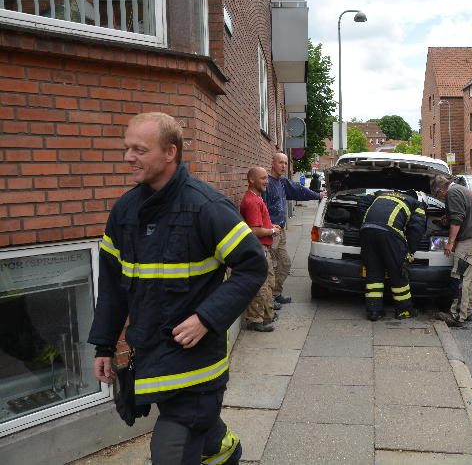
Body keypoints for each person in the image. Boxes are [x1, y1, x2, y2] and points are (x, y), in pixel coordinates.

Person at [88, 112, 267, 465]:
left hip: (196, 367)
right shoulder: (125, 211)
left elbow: (252, 265)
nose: (128, 157)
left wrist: (207, 317)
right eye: (127, 148)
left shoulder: (206, 206)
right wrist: (104, 345)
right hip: (153, 357)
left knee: (171, 451)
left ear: (170, 152)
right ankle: (225, 450)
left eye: (139, 149)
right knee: (203, 433)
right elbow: (112, 286)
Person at [262, 153, 325, 307]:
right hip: (270, 233)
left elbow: (298, 191)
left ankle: (276, 294)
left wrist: (318, 195)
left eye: (285, 163)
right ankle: (268, 300)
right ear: (273, 163)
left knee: (285, 264)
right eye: (280, 163)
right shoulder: (266, 184)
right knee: (271, 268)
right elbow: (261, 209)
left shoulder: (282, 182)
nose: (283, 166)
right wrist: (268, 229)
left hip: (280, 231)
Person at [359, 190, 426, 321]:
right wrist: (409, 252)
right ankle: (404, 310)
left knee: (373, 271)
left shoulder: (381, 193)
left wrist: (364, 222)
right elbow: (416, 231)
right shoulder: (417, 205)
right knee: (398, 272)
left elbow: (362, 202)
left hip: (366, 231)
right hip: (389, 233)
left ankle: (374, 311)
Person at [430, 176, 472, 327]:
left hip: (468, 241)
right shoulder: (462, 189)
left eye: (437, 195)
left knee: (460, 277)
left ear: (441, 189)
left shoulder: (452, 193)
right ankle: (467, 312)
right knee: (470, 277)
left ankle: (457, 316)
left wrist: (450, 242)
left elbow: (457, 219)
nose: (440, 198)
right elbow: (461, 214)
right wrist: (448, 217)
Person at [239, 167, 280, 332]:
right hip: (258, 248)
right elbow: (254, 230)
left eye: (266, 178)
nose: (266, 182)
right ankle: (255, 320)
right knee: (261, 284)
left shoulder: (257, 198)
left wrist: (271, 226)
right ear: (251, 180)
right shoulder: (252, 201)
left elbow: (260, 224)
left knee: (269, 282)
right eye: (262, 178)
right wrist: (272, 231)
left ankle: (265, 316)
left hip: (263, 247)